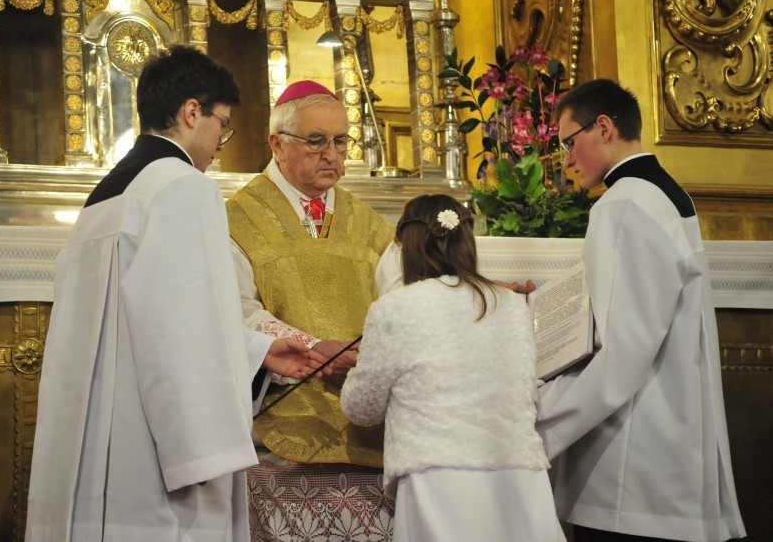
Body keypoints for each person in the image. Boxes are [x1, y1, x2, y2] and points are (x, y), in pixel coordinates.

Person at [25, 45, 325, 542]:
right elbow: (182, 334)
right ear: (192, 111)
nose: (220, 142)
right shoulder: (185, 188)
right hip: (153, 461)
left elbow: (138, 322)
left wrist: (260, 350)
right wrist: (204, 455)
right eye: (221, 125)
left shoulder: (104, 197)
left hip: (94, 446)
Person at [536, 78, 746, 542]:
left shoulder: (624, 203)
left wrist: (540, 424)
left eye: (569, 142)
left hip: (632, 465)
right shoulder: (666, 193)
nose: (567, 160)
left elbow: (623, 351)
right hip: (670, 440)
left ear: (604, 127)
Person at [226, 80, 397, 540]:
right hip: (282, 416)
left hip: (365, 417)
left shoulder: (368, 223)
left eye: (341, 141)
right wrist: (311, 347)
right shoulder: (237, 218)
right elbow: (234, 308)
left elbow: (405, 300)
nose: (332, 154)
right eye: (316, 141)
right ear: (277, 144)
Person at [340, 194, 566, 542]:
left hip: (439, 478)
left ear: (409, 247)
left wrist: (355, 373)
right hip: (518, 474)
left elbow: (362, 407)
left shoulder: (395, 308)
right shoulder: (510, 304)